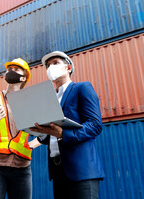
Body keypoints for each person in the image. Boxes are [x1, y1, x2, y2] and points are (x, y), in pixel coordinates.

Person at [30, 51, 105, 199]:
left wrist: (63, 134)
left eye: (56, 63)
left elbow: (95, 125)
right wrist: (40, 131)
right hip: (58, 171)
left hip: (81, 170)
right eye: (48, 66)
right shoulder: (49, 100)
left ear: (68, 68)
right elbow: (50, 137)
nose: (51, 67)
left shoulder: (82, 88)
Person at [0, 58, 39, 199]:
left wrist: (31, 146)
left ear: (23, 77)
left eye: (16, 70)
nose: (11, 71)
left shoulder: (31, 103)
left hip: (22, 169)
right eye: (9, 69)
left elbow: (44, 134)